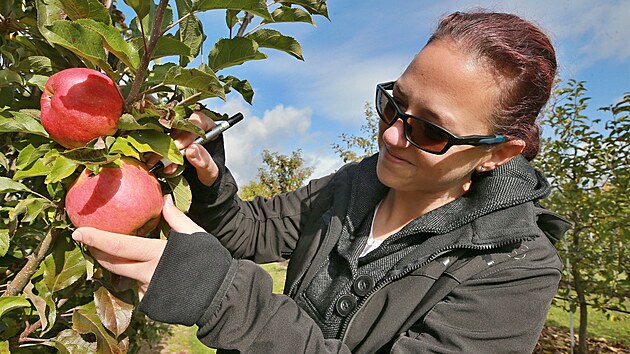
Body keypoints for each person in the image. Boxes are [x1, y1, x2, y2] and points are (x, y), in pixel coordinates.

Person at [72, 10, 571, 353]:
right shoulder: (355, 185)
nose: (392, 135)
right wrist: (211, 177)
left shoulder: (513, 266)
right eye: (393, 103)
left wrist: (225, 298)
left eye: (428, 130)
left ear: (497, 154)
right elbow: (252, 233)